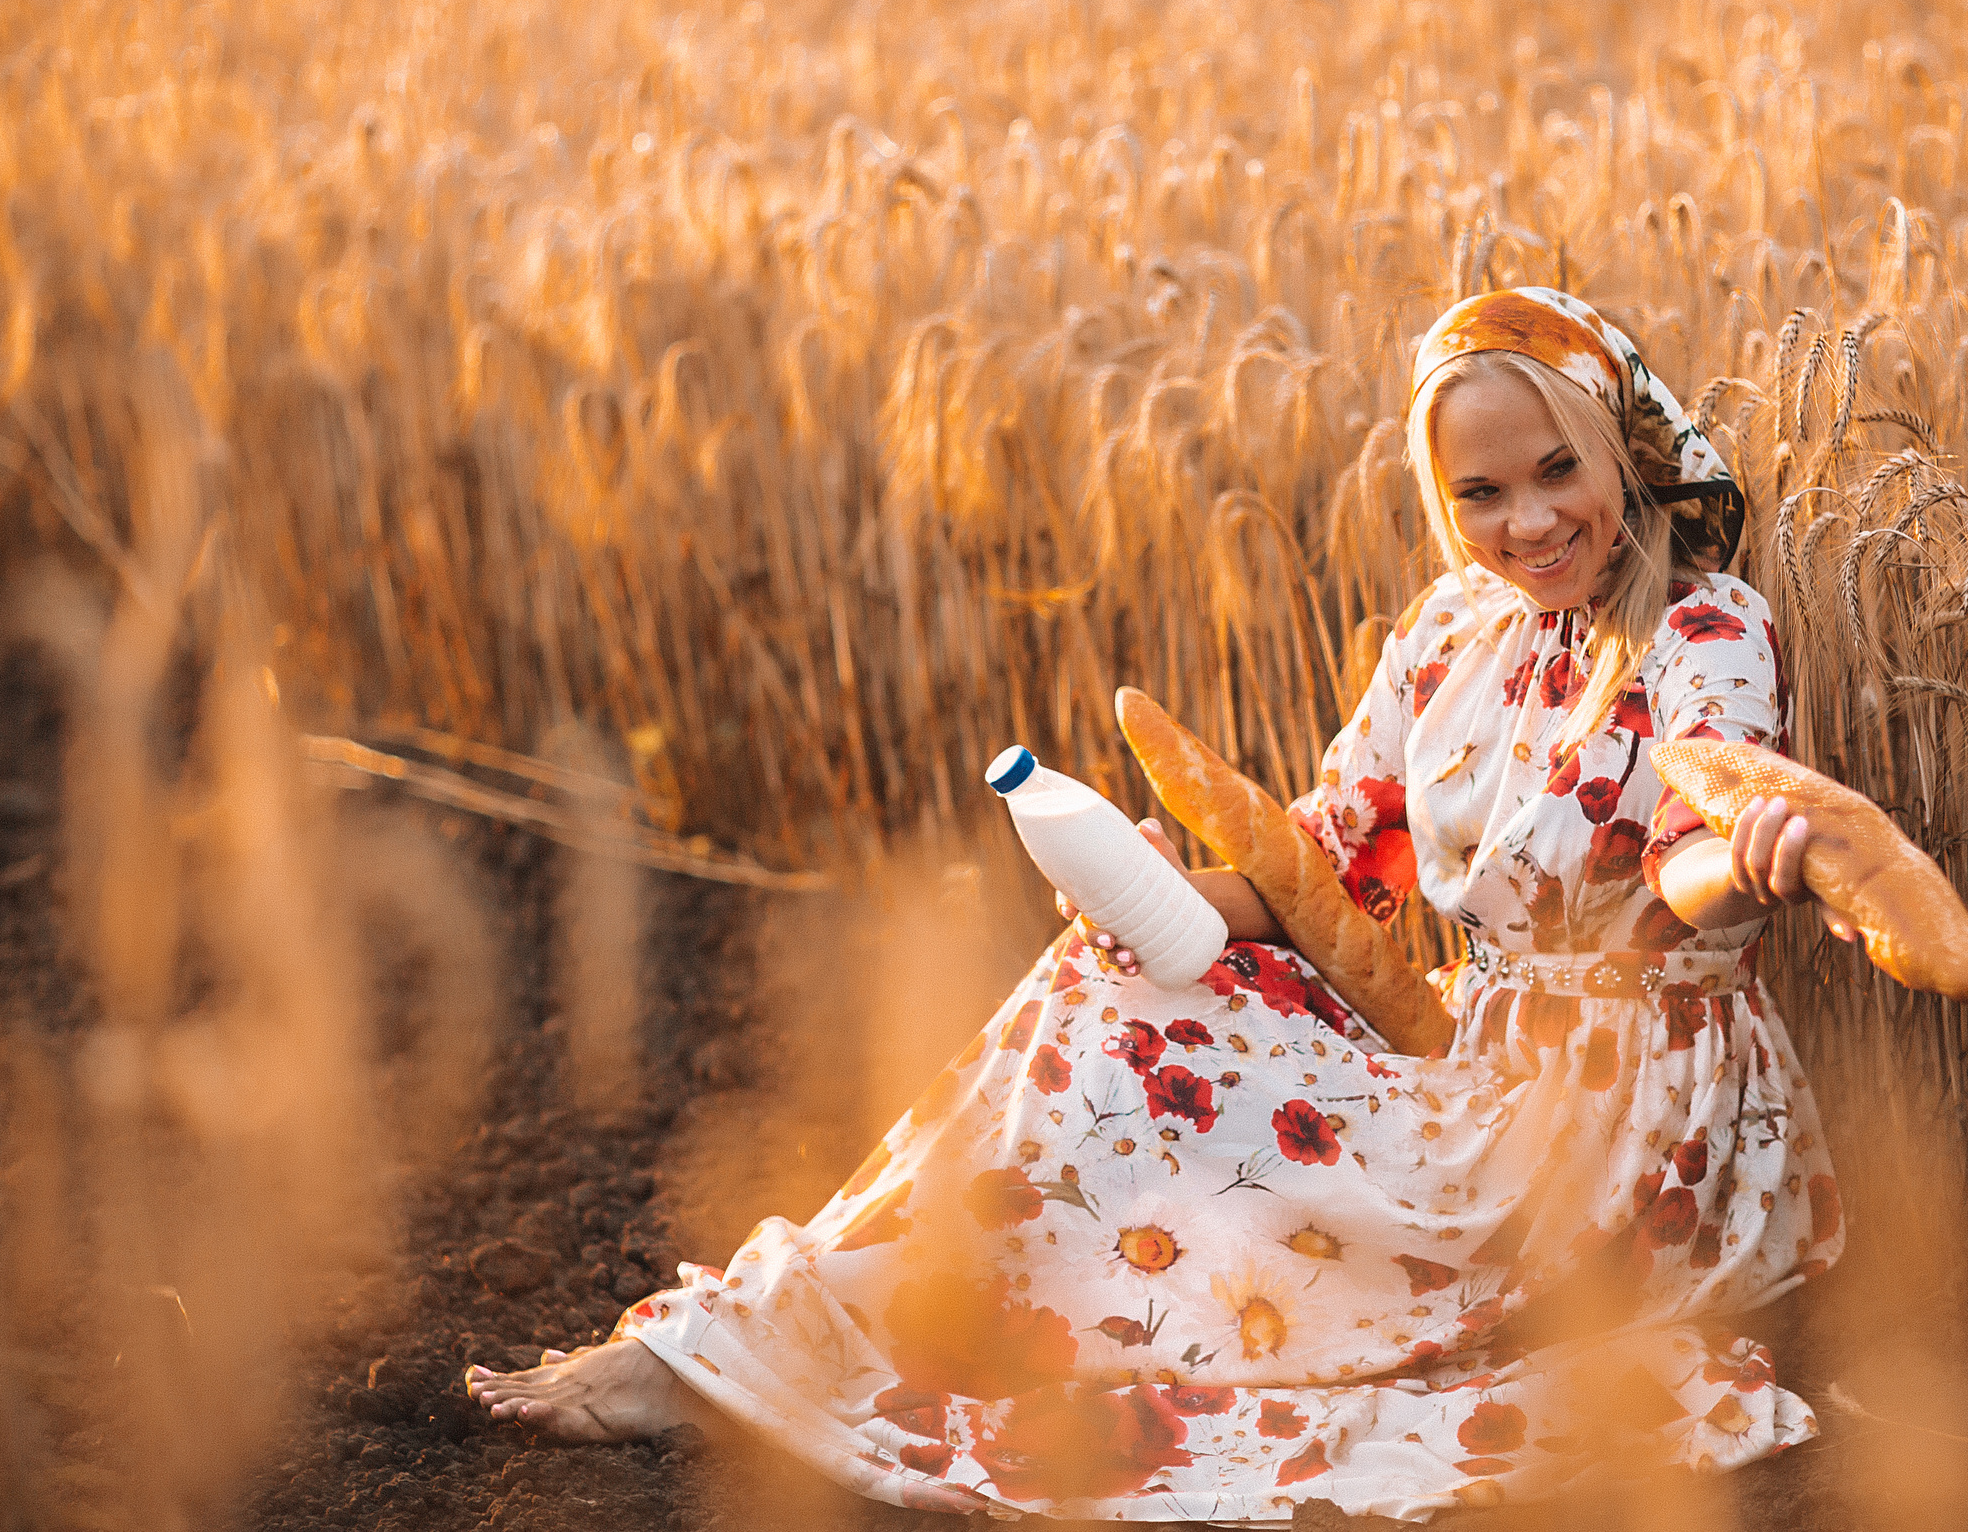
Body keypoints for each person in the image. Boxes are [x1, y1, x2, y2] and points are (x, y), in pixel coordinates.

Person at [468, 286, 1870, 1521]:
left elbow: (1691, 853)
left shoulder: (1702, 627)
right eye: (1482, 494)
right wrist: (1147, 892)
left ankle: (766, 1353)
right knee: (1113, 988)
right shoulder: (1451, 632)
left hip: (1619, 1133)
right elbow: (1330, 868)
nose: (1530, 521)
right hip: (1469, 1060)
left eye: (1559, 469)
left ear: (1624, 444)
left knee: (1155, 1099)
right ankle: (766, 1336)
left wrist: (1751, 858)